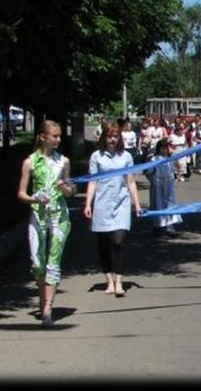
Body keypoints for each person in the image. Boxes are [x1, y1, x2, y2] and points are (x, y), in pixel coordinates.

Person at [16, 120, 75, 327]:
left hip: (59, 216)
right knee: (38, 263)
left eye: (59, 136)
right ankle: (43, 298)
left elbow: (71, 190)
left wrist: (65, 188)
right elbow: (21, 194)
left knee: (53, 261)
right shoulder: (30, 162)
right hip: (38, 216)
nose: (58, 140)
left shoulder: (63, 162)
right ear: (42, 137)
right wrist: (35, 198)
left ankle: (48, 307)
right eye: (54, 136)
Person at [84, 121, 143, 297]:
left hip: (121, 204)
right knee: (104, 244)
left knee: (118, 241)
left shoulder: (126, 156)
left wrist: (137, 204)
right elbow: (92, 181)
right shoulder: (96, 156)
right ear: (104, 137)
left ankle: (119, 282)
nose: (112, 139)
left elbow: (130, 181)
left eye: (115, 136)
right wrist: (88, 203)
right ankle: (109, 281)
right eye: (109, 136)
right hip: (102, 204)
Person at [146, 138, 183, 238]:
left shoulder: (170, 158)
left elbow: (177, 167)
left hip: (168, 184)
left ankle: (170, 227)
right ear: (161, 148)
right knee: (157, 204)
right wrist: (153, 181)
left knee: (169, 204)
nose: (168, 148)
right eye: (166, 147)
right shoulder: (154, 159)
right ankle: (158, 227)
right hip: (157, 184)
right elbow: (148, 172)